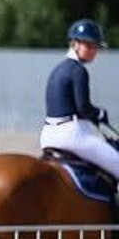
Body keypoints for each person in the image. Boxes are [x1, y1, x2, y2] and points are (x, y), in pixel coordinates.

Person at [40, 18, 119, 180]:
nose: (93, 51)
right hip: (72, 136)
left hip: (47, 135)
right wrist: (100, 114)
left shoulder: (59, 68)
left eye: (95, 47)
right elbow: (83, 108)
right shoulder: (78, 70)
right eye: (88, 45)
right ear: (75, 44)